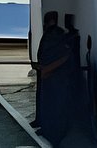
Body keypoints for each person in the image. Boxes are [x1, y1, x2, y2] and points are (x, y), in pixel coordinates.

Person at [33, 11, 72, 145]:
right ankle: (49, 130)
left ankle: (51, 132)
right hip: (55, 77)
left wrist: (45, 69)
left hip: (53, 77)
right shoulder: (59, 35)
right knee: (54, 106)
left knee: (52, 105)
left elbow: (55, 55)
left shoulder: (53, 35)